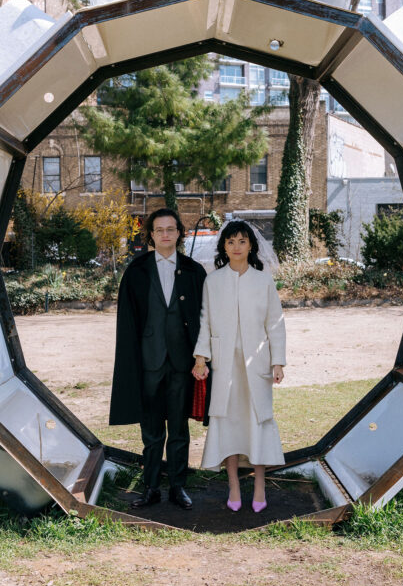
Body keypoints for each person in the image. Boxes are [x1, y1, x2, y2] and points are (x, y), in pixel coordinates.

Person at [110, 208, 207, 510]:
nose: (165, 234)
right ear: (150, 235)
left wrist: (201, 358)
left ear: (179, 233)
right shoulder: (136, 272)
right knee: (151, 431)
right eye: (159, 229)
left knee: (178, 428)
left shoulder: (194, 271)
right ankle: (151, 486)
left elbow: (205, 318)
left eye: (171, 229)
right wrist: (132, 365)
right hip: (148, 363)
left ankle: (178, 486)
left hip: (183, 363)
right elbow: (127, 323)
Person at [193, 220, 286, 513]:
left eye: (242, 242)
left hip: (256, 365)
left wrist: (278, 361)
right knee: (228, 424)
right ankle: (233, 484)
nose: (236, 247)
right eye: (230, 242)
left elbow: (275, 323)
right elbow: (205, 321)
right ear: (223, 246)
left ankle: (259, 485)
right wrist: (201, 357)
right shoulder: (213, 280)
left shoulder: (263, 280)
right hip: (224, 366)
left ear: (251, 246)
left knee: (256, 422)